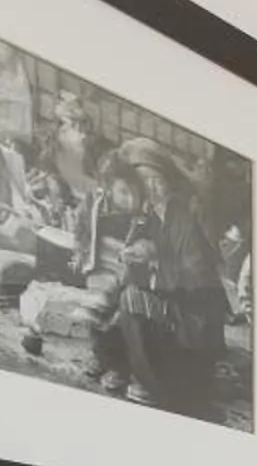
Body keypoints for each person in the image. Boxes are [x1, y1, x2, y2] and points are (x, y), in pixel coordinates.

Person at [90, 137, 225, 411]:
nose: (151, 187)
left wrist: (154, 260)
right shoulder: (150, 215)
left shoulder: (182, 217)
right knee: (113, 293)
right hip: (174, 306)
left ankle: (152, 383)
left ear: (167, 179)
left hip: (195, 318)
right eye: (144, 181)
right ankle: (120, 365)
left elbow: (196, 280)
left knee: (132, 299)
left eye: (156, 179)